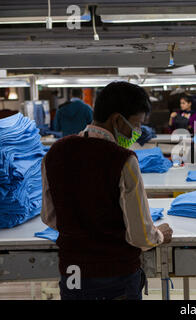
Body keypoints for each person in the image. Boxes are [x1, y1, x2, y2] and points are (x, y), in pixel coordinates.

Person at [41, 82, 173, 300]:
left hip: (73, 274)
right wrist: (159, 234)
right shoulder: (123, 160)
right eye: (136, 124)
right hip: (116, 276)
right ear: (117, 120)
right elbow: (140, 236)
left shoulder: (55, 153)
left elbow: (49, 217)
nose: (137, 132)